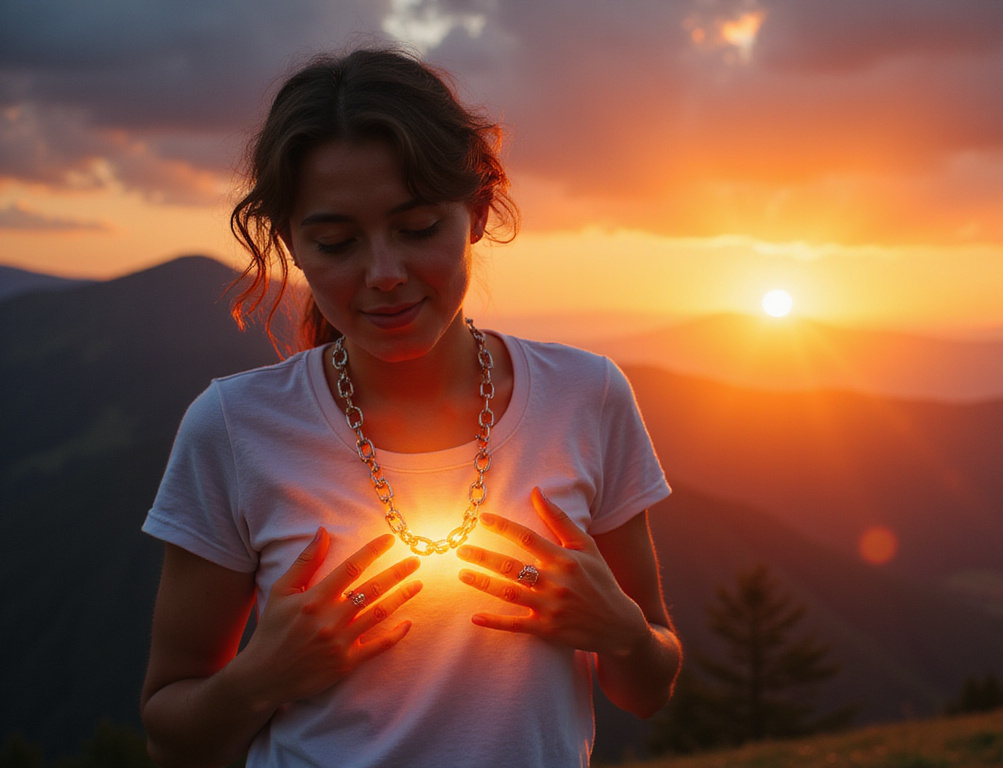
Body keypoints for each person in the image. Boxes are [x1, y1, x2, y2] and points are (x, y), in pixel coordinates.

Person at [139, 48, 681, 768]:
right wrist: (263, 676)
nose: (385, 275)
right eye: (336, 243)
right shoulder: (236, 429)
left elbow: (647, 687)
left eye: (418, 227)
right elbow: (170, 731)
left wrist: (623, 634)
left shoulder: (588, 397)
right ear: (292, 245)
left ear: (477, 214)